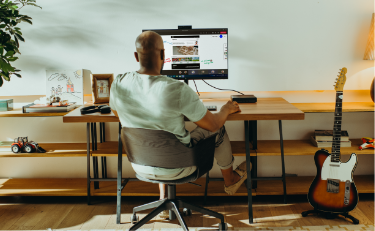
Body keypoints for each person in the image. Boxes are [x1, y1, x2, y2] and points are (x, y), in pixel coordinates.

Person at [110, 31, 248, 218]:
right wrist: (225, 109)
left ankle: (163, 201)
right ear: (164, 56)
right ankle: (230, 180)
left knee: (159, 134)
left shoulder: (119, 83)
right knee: (219, 129)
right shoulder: (177, 89)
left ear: (136, 56)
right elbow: (213, 124)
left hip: (141, 166)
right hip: (181, 166)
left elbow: (118, 115)